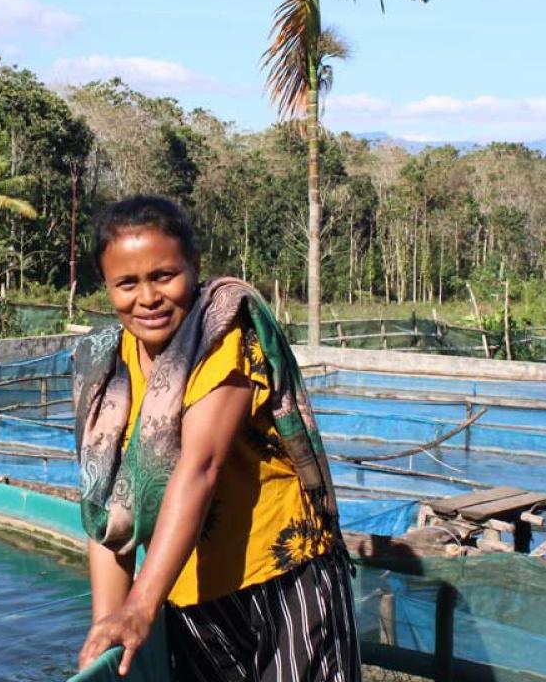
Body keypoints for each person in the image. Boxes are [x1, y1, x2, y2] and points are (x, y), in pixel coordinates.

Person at [73, 195, 360, 681]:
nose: (148, 298)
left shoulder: (224, 329)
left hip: (282, 575)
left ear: (194, 266)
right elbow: (107, 511)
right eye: (127, 283)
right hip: (189, 590)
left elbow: (199, 467)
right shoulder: (106, 369)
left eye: (164, 275)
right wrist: (107, 626)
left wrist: (140, 606)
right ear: (106, 288)